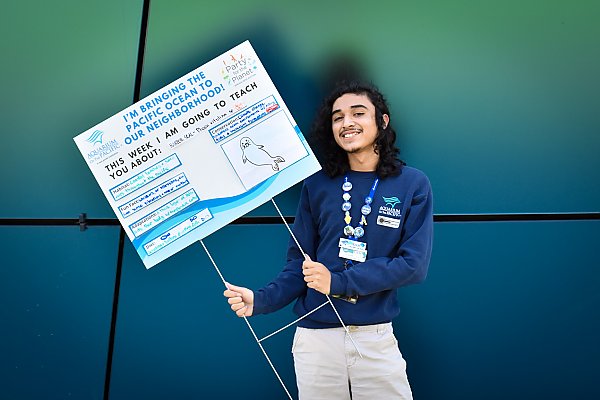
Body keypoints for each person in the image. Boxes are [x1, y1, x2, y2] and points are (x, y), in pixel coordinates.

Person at [224, 81, 433, 399]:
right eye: (338, 117)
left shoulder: (412, 184)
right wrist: (262, 300)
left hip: (375, 339)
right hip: (316, 340)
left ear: (382, 121)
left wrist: (338, 282)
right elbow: (299, 264)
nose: (347, 122)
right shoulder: (318, 184)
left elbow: (413, 266)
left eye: (358, 113)